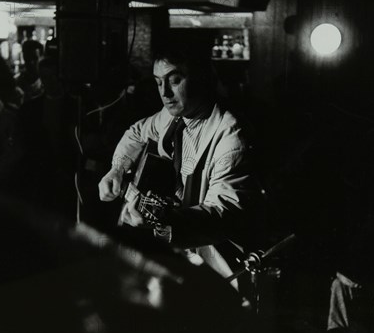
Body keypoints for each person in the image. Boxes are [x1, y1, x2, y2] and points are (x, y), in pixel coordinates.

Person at [98, 46, 262, 283]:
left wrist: (165, 221)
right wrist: (117, 169)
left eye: (175, 80)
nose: (164, 93)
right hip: (171, 257)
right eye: (158, 82)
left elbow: (224, 211)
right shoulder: (171, 114)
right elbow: (136, 133)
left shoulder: (231, 134)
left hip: (214, 262)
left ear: (201, 79)